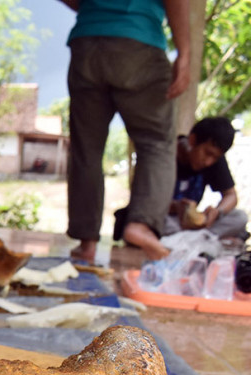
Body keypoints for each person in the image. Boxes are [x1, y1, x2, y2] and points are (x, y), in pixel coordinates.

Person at [60, 0, 191, 263]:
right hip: (139, 40)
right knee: (156, 142)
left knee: (86, 149)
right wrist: (185, 52)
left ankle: (87, 242)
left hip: (87, 41)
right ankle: (141, 224)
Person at [115, 117, 248, 246]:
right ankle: (201, 241)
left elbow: (231, 195)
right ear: (193, 140)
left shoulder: (214, 161)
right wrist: (176, 207)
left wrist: (217, 212)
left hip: (191, 227)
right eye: (207, 153)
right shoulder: (164, 154)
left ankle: (190, 241)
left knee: (239, 217)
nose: (209, 162)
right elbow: (143, 203)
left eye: (215, 157)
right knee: (157, 225)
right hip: (165, 219)